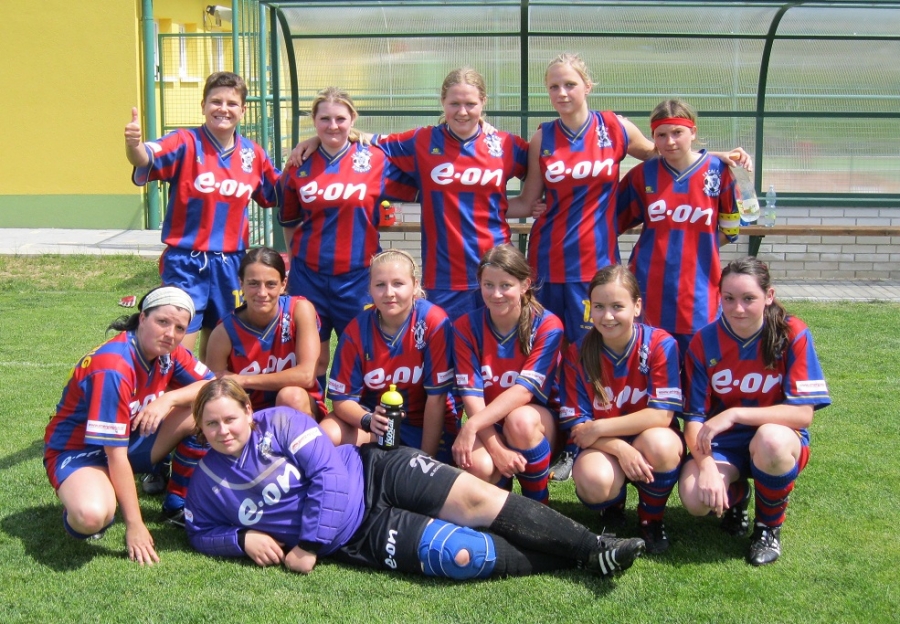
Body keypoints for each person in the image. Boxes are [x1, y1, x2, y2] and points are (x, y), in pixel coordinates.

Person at [184, 378, 646, 579]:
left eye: (231, 418)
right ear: (200, 429)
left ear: (249, 411)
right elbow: (199, 531)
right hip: (358, 538)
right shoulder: (206, 483)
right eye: (211, 424)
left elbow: (327, 475)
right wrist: (241, 538)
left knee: (477, 500)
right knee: (462, 555)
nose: (223, 431)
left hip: (373, 473)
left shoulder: (282, 421)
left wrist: (307, 545)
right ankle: (581, 559)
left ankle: (592, 546)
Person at [511, 53, 750, 347]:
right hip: (548, 258)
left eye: (570, 84)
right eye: (554, 86)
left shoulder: (615, 127)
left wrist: (711, 157)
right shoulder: (542, 137)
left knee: (594, 346)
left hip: (596, 260)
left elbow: (661, 150)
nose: (562, 92)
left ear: (587, 86)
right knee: (546, 343)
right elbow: (527, 201)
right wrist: (471, 207)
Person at [290, 68, 537, 321]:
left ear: (483, 102)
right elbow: (365, 140)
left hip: (497, 270)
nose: (462, 112)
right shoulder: (421, 141)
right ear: (442, 102)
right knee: (447, 344)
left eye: (470, 104)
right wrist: (316, 141)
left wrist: (535, 204)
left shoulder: (506, 144)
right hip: (444, 275)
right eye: (454, 103)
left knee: (501, 341)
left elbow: (543, 168)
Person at [43, 287, 214, 565]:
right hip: (78, 451)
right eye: (162, 322)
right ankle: (93, 493)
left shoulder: (170, 353)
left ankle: (177, 502)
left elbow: (214, 386)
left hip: (127, 440)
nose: (170, 333)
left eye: (180, 328)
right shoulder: (113, 366)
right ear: (143, 317)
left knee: (206, 413)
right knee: (91, 516)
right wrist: (135, 525)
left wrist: (168, 399)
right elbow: (115, 455)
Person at [678, 258, 831, 565]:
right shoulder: (704, 341)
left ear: (769, 296)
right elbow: (694, 419)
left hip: (777, 438)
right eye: (729, 298)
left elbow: (803, 414)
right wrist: (706, 466)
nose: (738, 309)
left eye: (749, 298)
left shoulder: (792, 333)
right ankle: (736, 495)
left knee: (770, 440)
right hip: (724, 443)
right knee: (695, 498)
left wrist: (735, 414)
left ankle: (768, 528)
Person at [125, 71, 281, 360]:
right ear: (203, 106)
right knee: (177, 344)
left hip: (231, 264)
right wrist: (134, 146)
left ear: (243, 110)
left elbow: (279, 190)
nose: (223, 109)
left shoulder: (253, 154)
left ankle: (210, 390)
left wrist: (310, 150)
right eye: (216, 102)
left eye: (232, 103)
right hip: (187, 261)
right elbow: (147, 156)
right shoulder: (184, 141)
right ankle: (171, 389)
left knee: (221, 345)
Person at [279, 87, 418, 391]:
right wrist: (296, 264)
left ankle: (362, 416)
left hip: (358, 278)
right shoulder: (299, 163)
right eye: (324, 119)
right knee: (311, 360)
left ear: (353, 118)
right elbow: (289, 220)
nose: (333, 126)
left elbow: (420, 177)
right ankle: (311, 415)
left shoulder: (375, 160)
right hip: (309, 278)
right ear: (313, 121)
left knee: (364, 356)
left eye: (340, 119)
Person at [558, 265, 683, 554]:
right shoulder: (578, 352)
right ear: (589, 309)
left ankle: (651, 518)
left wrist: (600, 427)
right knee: (594, 481)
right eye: (599, 307)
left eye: (617, 306)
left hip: (645, 438)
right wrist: (620, 448)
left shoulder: (660, 344)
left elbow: (662, 415)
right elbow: (578, 427)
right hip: (601, 446)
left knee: (662, 445)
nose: (607, 316)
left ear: (637, 306)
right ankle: (612, 506)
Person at [617, 99, 741, 357]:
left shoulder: (719, 172)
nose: (670, 141)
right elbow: (611, 221)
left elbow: (730, 230)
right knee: (650, 362)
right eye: (661, 135)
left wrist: (697, 246)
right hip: (649, 288)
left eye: (677, 132)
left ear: (693, 132)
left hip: (699, 292)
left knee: (697, 364)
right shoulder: (643, 175)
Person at [452, 245, 562, 504]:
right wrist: (496, 448)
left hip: (538, 426)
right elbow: (472, 397)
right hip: (490, 424)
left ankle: (538, 504)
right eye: (488, 285)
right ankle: (504, 508)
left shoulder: (547, 325)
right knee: (476, 465)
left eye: (506, 285)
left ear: (525, 285)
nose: (496, 294)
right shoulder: (465, 327)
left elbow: (523, 392)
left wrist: (471, 426)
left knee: (520, 420)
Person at [323, 249, 456, 459]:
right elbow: (342, 400)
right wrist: (368, 420)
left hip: (425, 424)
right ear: (369, 288)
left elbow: (437, 398)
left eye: (398, 283)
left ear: (415, 285)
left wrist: (425, 460)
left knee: (429, 470)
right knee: (328, 433)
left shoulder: (433, 321)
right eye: (380, 285)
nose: (389, 293)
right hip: (376, 425)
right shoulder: (356, 330)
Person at [204, 247, 326, 418]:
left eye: (271, 284)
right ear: (241, 284)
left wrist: (243, 380)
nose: (262, 293)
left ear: (283, 284)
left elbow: (306, 376)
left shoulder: (299, 310)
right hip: (249, 415)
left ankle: (301, 436)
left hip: (299, 407)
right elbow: (214, 391)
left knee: (291, 396)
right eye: (253, 283)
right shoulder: (224, 332)